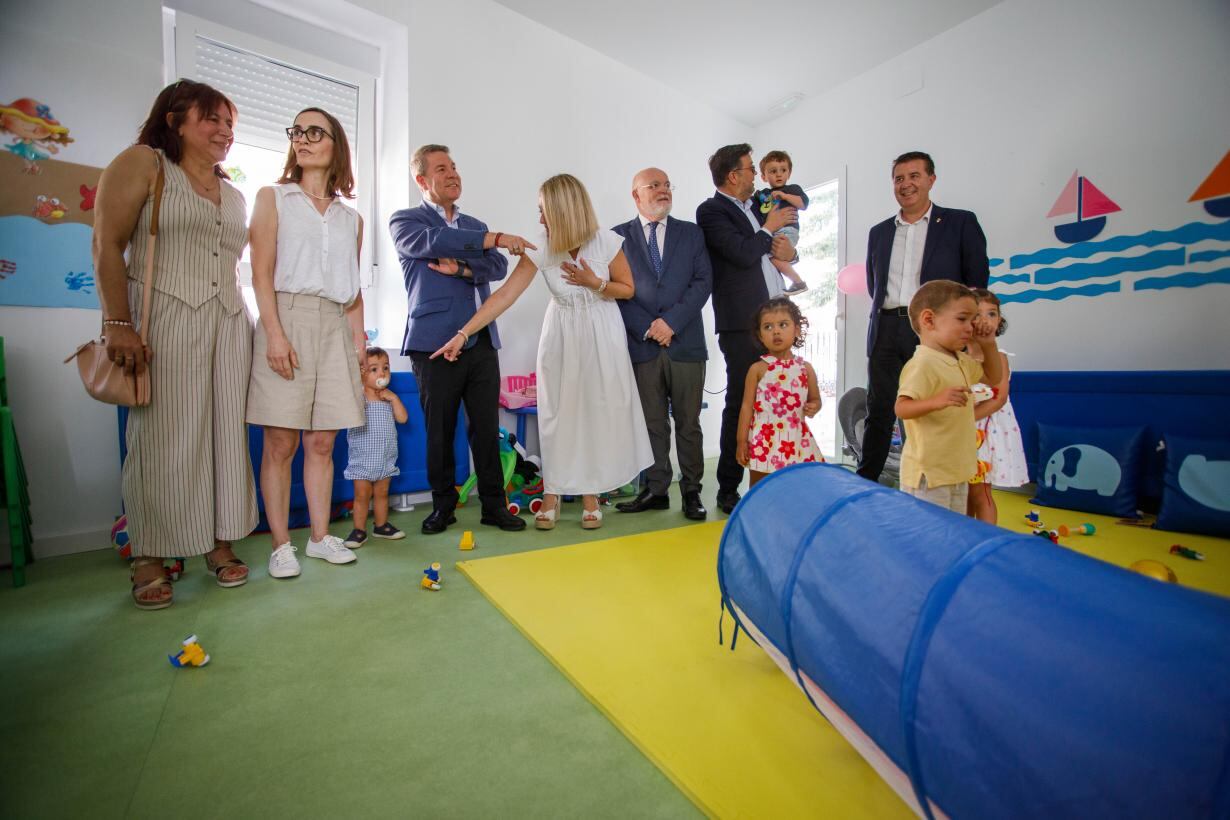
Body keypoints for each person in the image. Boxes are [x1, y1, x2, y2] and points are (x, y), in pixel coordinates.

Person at [93, 80, 257, 609]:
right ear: (174, 120)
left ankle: (216, 541)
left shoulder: (232, 192)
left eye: (230, 123)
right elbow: (106, 243)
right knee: (163, 437)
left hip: (230, 323)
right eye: (212, 118)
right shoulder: (144, 164)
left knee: (224, 438)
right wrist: (118, 321)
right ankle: (149, 555)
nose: (224, 131)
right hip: (164, 319)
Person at [433, 174, 653, 530]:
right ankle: (552, 491)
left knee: (595, 411)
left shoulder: (607, 241)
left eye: (543, 211)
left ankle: (590, 495)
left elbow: (627, 289)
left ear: (564, 210)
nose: (539, 219)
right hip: (562, 332)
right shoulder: (542, 245)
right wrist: (464, 333)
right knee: (558, 413)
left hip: (601, 331)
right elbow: (505, 295)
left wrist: (593, 282)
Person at [247, 108, 367, 578]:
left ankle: (319, 538)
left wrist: (358, 345)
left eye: (314, 131)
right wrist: (274, 333)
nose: (303, 138)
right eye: (297, 131)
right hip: (286, 316)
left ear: (336, 143)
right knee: (280, 441)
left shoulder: (350, 218)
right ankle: (281, 545)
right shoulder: (273, 197)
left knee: (323, 442)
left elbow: (353, 290)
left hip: (335, 323)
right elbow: (259, 273)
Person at [390, 145, 531, 535]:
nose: (453, 174)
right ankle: (443, 507)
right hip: (432, 342)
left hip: (482, 340)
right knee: (440, 430)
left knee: (485, 428)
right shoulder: (405, 220)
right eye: (441, 169)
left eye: (454, 167)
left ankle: (493, 506)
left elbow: (498, 265)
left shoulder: (473, 224)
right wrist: (490, 240)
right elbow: (432, 243)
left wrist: (463, 269)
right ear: (422, 180)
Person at [859, 150, 990, 485]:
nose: (906, 184)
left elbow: (976, 282)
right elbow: (875, 285)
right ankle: (866, 480)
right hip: (886, 326)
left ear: (931, 179)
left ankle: (928, 480)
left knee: (931, 407)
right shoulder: (879, 232)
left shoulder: (960, 223)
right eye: (899, 178)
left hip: (933, 331)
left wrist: (969, 330)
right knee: (881, 408)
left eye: (914, 176)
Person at [697, 144, 798, 514]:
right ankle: (728, 487)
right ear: (732, 176)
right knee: (742, 402)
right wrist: (768, 228)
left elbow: (775, 250)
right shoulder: (710, 211)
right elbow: (740, 253)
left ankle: (775, 477)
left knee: (779, 400)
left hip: (777, 317)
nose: (756, 175)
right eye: (751, 169)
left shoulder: (757, 206)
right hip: (742, 325)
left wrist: (790, 254)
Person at [611, 167, 712, 521]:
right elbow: (616, 293)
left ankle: (692, 491)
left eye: (667, 185)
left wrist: (671, 323)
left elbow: (702, 283)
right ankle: (655, 489)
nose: (663, 190)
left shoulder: (692, 234)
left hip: (686, 344)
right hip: (643, 346)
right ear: (636, 194)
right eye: (654, 185)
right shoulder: (616, 238)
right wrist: (650, 328)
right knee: (651, 422)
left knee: (689, 422)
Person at [894, 281, 1003, 513]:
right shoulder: (923, 363)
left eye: (972, 320)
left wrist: (989, 344)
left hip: (956, 470)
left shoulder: (959, 360)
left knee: (950, 534)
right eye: (962, 319)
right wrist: (936, 401)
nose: (970, 327)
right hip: (929, 474)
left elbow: (993, 378)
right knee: (928, 537)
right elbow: (902, 408)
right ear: (929, 320)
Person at [736, 297, 823, 486]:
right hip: (763, 440)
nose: (775, 331)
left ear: (797, 330)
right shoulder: (757, 369)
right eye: (767, 327)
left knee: (795, 487)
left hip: (795, 440)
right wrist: (741, 441)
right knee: (759, 489)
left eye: (783, 325)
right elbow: (746, 407)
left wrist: (813, 406)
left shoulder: (805, 368)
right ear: (760, 335)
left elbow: (816, 399)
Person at [965, 289, 1028, 524]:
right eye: (976, 314)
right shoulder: (959, 358)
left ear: (999, 320)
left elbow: (999, 398)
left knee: (981, 491)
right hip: (964, 431)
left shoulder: (998, 357)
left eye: (991, 314)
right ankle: (967, 534)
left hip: (985, 430)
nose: (984, 320)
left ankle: (985, 536)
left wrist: (965, 420)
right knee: (966, 492)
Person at [343, 347, 409, 546]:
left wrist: (395, 399)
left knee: (382, 493)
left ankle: (381, 525)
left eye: (386, 368)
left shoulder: (389, 398)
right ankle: (359, 530)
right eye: (374, 369)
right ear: (361, 373)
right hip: (362, 458)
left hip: (385, 457)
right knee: (362, 495)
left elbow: (403, 419)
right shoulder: (357, 398)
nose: (382, 373)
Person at [754, 150, 809, 295]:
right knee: (771, 257)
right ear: (764, 176)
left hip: (788, 230)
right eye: (773, 171)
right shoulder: (765, 193)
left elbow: (803, 204)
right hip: (774, 231)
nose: (779, 174)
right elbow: (763, 210)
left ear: (789, 173)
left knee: (772, 257)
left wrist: (785, 196)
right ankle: (796, 282)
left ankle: (798, 282)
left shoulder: (793, 189)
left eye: (783, 170)